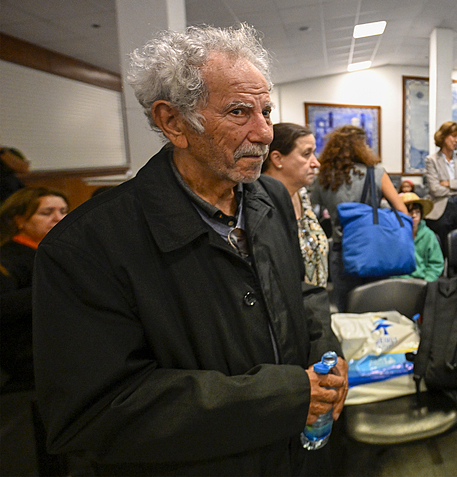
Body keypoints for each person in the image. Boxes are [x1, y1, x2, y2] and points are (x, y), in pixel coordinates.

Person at [31, 24, 347, 475]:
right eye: (239, 112)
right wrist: (289, 395)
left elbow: (300, 291)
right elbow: (94, 413)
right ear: (172, 122)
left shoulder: (271, 198)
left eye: (266, 110)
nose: (264, 133)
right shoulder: (85, 248)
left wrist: (329, 358)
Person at [312, 125, 407, 311]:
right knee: (378, 304)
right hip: (375, 248)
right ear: (361, 147)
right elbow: (402, 210)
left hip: (342, 250)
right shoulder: (377, 173)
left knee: (347, 308)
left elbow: (313, 210)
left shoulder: (323, 177)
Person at [1, 187, 68, 390]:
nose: (58, 218)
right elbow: (4, 306)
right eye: (47, 213)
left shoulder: (62, 251)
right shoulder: (8, 258)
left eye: (64, 211)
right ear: (19, 220)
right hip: (27, 354)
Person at [263, 122, 329, 288]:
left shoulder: (301, 195)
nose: (316, 163)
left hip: (314, 304)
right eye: (307, 154)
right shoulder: (262, 205)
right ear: (277, 159)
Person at [425, 121, 457, 246]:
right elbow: (435, 190)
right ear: (443, 136)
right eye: (453, 136)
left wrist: (449, 183)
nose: (456, 140)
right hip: (441, 211)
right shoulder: (432, 160)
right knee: (442, 250)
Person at [394, 192, 443, 281]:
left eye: (417, 212)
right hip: (398, 282)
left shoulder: (428, 235)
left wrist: (427, 281)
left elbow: (436, 264)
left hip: (422, 281)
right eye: (410, 212)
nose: (414, 216)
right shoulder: (393, 235)